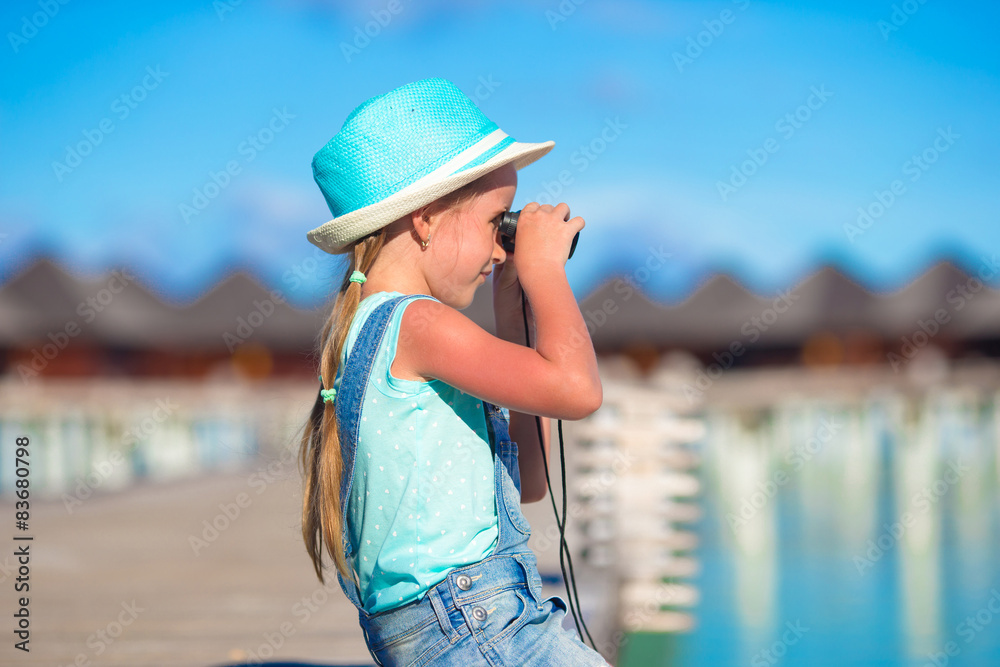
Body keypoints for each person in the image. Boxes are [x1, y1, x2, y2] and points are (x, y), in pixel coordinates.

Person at [297, 77, 607, 666]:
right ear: (426, 219)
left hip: (463, 629)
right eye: (497, 222)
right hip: (477, 627)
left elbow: (532, 485)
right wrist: (546, 274)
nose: (501, 250)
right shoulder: (419, 324)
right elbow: (578, 390)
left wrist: (515, 305)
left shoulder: (376, 330)